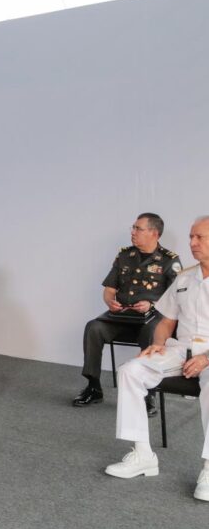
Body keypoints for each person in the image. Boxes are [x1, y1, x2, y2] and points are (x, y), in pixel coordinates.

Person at [104, 216, 209, 502]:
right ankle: (142, 454)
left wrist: (206, 359)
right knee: (131, 370)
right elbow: (165, 321)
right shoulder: (185, 278)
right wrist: (158, 344)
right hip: (181, 347)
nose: (192, 243)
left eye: (199, 237)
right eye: (191, 237)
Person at [74, 213, 181, 416]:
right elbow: (109, 288)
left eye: (138, 229)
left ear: (154, 233)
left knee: (152, 333)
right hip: (121, 317)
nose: (133, 232)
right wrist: (110, 302)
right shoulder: (125, 255)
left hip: (151, 318)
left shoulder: (169, 261)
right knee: (93, 327)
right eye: (133, 228)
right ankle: (94, 387)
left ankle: (148, 394)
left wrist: (152, 304)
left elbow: (177, 297)